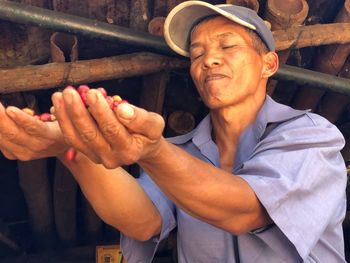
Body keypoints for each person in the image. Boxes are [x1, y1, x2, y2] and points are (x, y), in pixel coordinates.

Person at [0, 1, 347, 262]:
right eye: (197, 54)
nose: (208, 60)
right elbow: (141, 221)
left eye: (227, 46)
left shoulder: (311, 135)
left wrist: (153, 152)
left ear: (268, 64)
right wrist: (71, 147)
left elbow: (245, 209)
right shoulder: (181, 152)